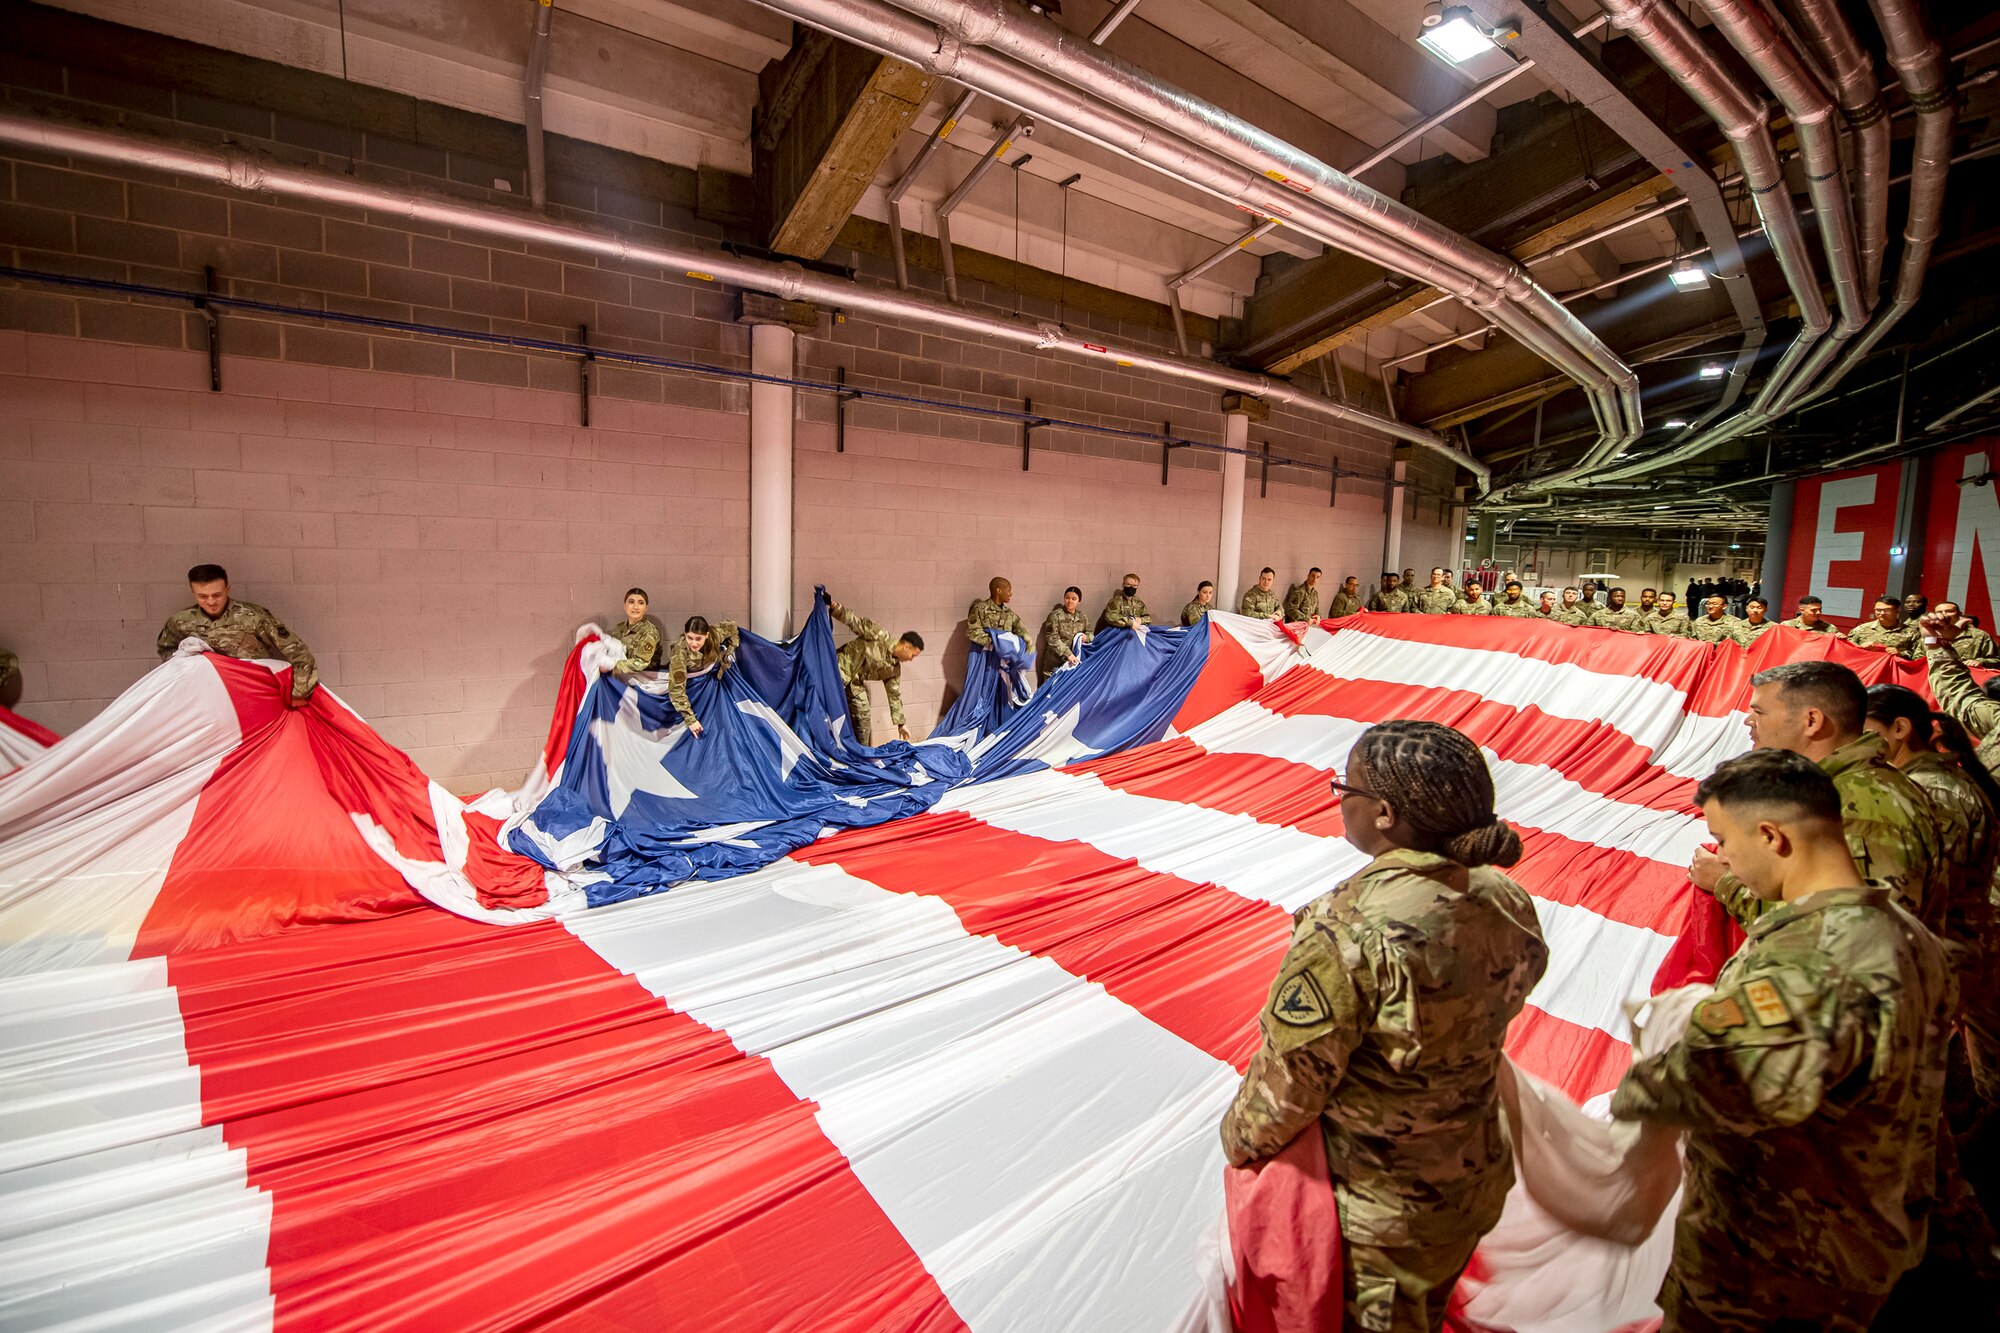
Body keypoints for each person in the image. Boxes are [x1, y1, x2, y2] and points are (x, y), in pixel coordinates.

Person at [1219, 720, 1547, 1333]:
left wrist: (1238, 1141)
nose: (1341, 799)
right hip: (1470, 1179)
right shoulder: (1504, 896)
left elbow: (1290, 1084)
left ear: (1387, 813)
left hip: (1378, 1219)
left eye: (1347, 787)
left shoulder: (1345, 929)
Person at [1611, 749, 1955, 1332]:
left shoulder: (1812, 956)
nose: (1723, 858)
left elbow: (1719, 1079)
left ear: (1772, 835)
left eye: (1724, 839)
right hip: (1862, 1235)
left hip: (1774, 1272)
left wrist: (1643, 1078)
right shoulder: (1906, 932)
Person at [1692, 660, 1946, 930]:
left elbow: (1856, 932)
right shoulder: (1840, 788)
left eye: (1760, 712)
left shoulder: (1863, 806)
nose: (1749, 720)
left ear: (1812, 721)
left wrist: (1726, 885)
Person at [1865, 684, 1995, 951]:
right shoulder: (1915, 782)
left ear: (1900, 729)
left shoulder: (1932, 789)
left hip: (1951, 952)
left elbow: (1935, 887)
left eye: (1865, 733)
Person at [156, 563, 317, 706]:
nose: (211, 602)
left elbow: (298, 652)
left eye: (217, 595)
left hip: (255, 695)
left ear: (228, 588)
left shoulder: (254, 617)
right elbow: (166, 650)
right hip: (209, 699)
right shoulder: (181, 621)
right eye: (203, 596)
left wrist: (299, 692)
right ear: (193, 591)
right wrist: (188, 669)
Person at [830, 599, 923, 744]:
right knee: (827, 709)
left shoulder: (894, 669)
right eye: (913, 655)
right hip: (838, 668)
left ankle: (862, 752)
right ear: (906, 646)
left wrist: (901, 724)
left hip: (854, 683)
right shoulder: (879, 635)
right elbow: (855, 623)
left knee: (864, 714)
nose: (911, 660)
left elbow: (894, 696)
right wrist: (835, 606)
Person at [1923, 610, 2000, 777]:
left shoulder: (1980, 636)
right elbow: (1962, 699)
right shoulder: (1995, 717)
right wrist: (1936, 644)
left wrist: (1936, 645)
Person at [665, 614, 740, 737]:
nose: (693, 643)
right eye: (689, 638)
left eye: (698, 639)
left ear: (707, 635)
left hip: (710, 682)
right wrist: (691, 720)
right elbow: (676, 689)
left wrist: (731, 649)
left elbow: (733, 627)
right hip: (691, 687)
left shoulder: (715, 635)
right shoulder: (679, 651)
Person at [607, 587, 662, 675]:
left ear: (646, 607)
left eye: (641, 603)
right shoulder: (618, 629)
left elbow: (641, 662)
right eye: (631, 602)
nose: (636, 607)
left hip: (644, 681)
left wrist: (611, 665)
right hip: (621, 676)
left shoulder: (650, 632)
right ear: (625, 605)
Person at [1039, 586, 1091, 675]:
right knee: (1052, 688)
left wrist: (1086, 638)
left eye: (1074, 599)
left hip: (1073, 664)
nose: (1070, 601)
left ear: (1079, 601)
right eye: (1067, 598)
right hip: (1055, 663)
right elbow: (1053, 639)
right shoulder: (1055, 616)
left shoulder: (1082, 617)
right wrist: (1068, 654)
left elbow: (1090, 632)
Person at [1849, 597, 1923, 659]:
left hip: (1894, 672)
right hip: (1867, 671)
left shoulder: (1911, 632)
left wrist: (1900, 654)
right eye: (1878, 610)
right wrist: (1860, 647)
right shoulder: (1861, 629)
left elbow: (1918, 656)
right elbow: (1848, 649)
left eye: (1887, 610)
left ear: (1897, 610)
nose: (1882, 613)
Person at [965, 576, 1027, 649]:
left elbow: (1022, 632)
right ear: (999, 590)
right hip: (985, 655)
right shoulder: (980, 609)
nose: (1011, 593)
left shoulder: (1009, 613)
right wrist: (994, 643)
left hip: (1004, 656)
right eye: (1009, 590)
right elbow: (973, 632)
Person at [1933, 601, 2000, 664]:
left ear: (1960, 614)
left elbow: (1996, 660)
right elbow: (1922, 657)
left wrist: (1980, 662)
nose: (1944, 614)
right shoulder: (1930, 634)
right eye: (1939, 612)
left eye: (1949, 611)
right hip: (1934, 675)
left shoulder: (1979, 635)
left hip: (1967, 674)